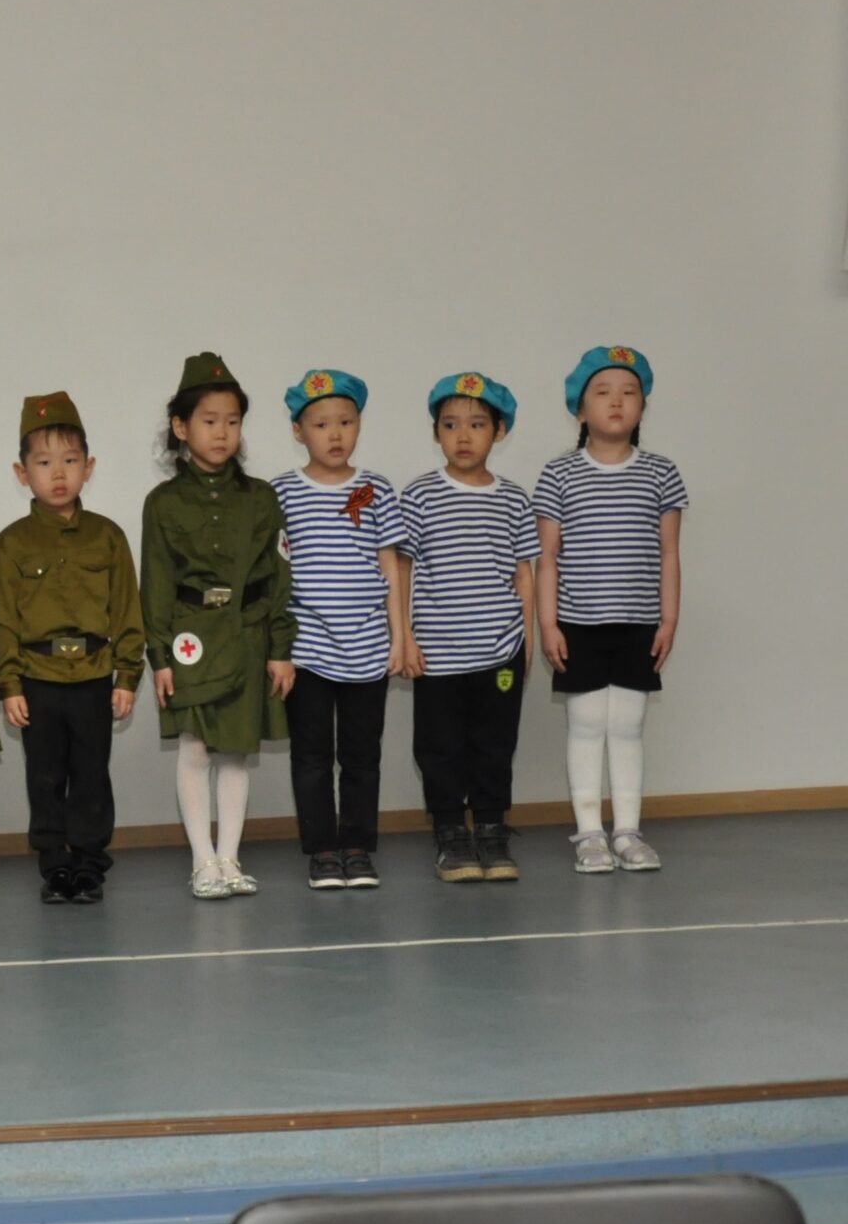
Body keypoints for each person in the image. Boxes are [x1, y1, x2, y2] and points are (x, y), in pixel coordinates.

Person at [142, 353, 296, 900]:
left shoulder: (261, 498)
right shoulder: (163, 503)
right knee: (194, 749)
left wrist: (280, 648)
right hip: (191, 639)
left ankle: (229, 858)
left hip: (247, 633)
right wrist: (159, 656)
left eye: (233, 421)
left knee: (234, 751)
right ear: (181, 427)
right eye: (209, 421)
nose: (222, 432)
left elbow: (278, 576)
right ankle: (201, 860)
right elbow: (155, 583)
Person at [534, 346, 686, 874]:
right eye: (602, 392)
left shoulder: (661, 473)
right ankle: (589, 835)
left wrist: (668, 620)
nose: (616, 401)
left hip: (638, 623)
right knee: (585, 726)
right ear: (580, 410)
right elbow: (547, 558)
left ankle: (627, 832)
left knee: (627, 726)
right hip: (577, 623)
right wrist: (548, 623)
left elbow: (669, 552)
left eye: (628, 392)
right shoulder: (559, 474)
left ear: (643, 405)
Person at [0, 392, 142, 906]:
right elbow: (3, 622)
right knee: (46, 775)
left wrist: (127, 676)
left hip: (95, 675)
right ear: (22, 472)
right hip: (37, 677)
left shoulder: (108, 537)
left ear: (88, 467)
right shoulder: (11, 544)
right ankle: (54, 863)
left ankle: (90, 863)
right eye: (43, 463)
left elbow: (127, 612)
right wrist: (10, 684)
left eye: (71, 461)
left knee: (92, 774)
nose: (58, 474)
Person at [269, 370, 407, 892]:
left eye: (345, 422)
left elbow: (390, 566)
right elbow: (275, 572)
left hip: (368, 647)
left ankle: (357, 846)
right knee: (311, 757)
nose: (335, 434)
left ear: (359, 426)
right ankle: (323, 850)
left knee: (361, 756)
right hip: (307, 649)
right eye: (321, 423)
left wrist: (399, 638)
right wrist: (278, 648)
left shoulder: (376, 489)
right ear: (298, 431)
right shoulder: (282, 492)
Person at [401, 372, 539, 881]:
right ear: (436, 432)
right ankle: (450, 833)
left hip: (500, 653)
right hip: (437, 654)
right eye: (451, 424)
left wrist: (526, 643)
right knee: (439, 745)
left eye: (477, 424)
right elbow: (402, 569)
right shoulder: (419, 495)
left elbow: (523, 573)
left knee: (495, 742)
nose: (463, 435)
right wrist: (405, 637)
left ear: (498, 432)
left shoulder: (514, 498)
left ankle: (491, 828)